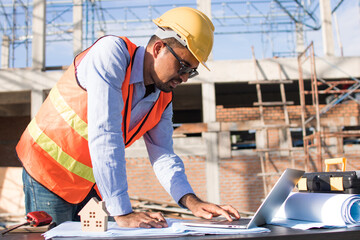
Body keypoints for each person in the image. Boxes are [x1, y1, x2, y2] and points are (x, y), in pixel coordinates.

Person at [16, 7, 240, 228]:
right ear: (159, 48)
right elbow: (106, 133)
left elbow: (163, 156)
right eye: (183, 66)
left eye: (191, 71)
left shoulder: (163, 98)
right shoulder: (111, 54)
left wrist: (192, 202)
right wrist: (123, 212)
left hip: (87, 185)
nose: (184, 78)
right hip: (47, 171)